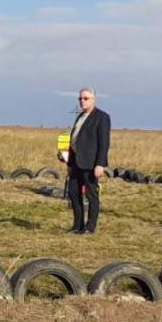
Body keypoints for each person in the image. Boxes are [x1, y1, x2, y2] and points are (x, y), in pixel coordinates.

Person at [62, 88, 111, 234]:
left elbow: (104, 143)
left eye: (86, 98)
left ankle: (90, 227)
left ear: (93, 100)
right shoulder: (80, 116)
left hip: (90, 163)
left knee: (91, 195)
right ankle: (78, 226)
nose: (82, 101)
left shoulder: (102, 117)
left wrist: (100, 164)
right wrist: (69, 163)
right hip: (76, 162)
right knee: (73, 193)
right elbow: (74, 140)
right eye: (80, 99)